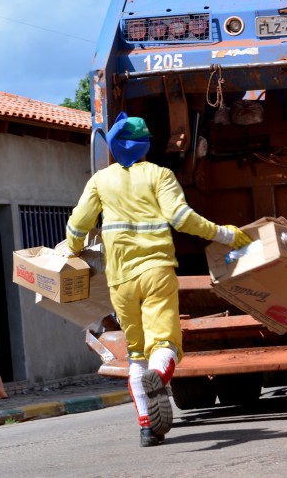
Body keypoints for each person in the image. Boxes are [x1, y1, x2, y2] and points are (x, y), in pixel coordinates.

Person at [64, 112, 251, 446]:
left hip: (119, 280)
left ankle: (148, 429)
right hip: (157, 273)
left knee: (136, 353)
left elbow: (78, 225)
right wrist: (225, 234)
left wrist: (74, 250)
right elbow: (182, 218)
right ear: (146, 146)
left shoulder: (100, 181)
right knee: (165, 344)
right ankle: (159, 377)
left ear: (113, 149)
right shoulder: (159, 175)